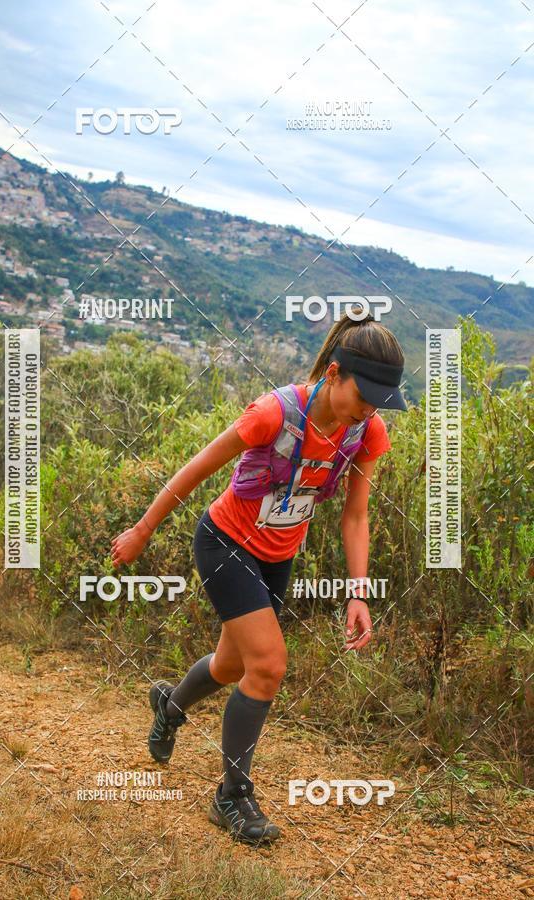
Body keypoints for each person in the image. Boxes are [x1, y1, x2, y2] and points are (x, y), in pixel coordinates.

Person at [111, 309, 407, 845]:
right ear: (335, 373)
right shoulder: (274, 413)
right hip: (225, 543)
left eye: (380, 404)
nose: (370, 411)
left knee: (230, 665)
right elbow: (197, 468)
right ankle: (232, 796)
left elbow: (356, 516)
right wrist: (142, 530)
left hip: (277, 555)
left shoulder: (366, 432)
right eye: (365, 397)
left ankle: (170, 705)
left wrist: (358, 594)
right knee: (268, 665)